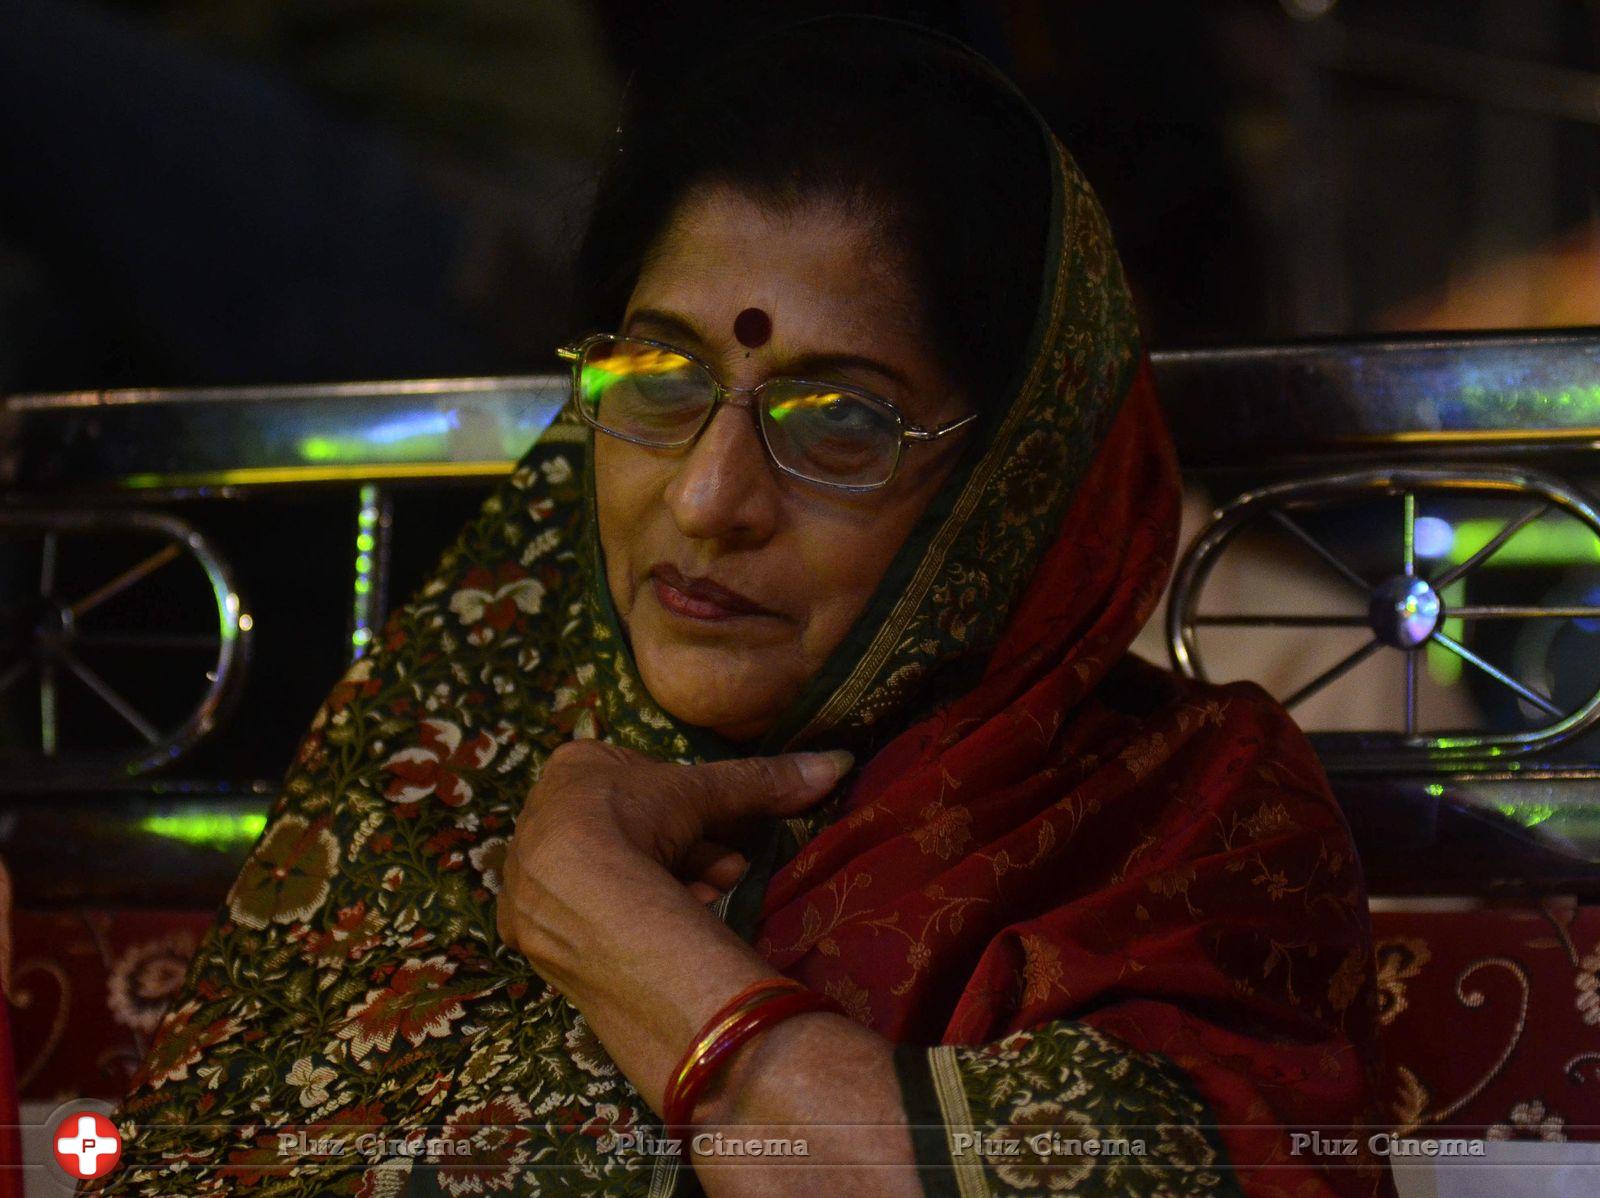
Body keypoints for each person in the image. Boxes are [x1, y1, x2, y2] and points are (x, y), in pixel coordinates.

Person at [89, 19, 1394, 1198]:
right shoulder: (440, 762)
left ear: (1016, 470)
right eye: (655, 378)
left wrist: (604, 915)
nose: (711, 496)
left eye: (837, 421)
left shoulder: (1173, 816)